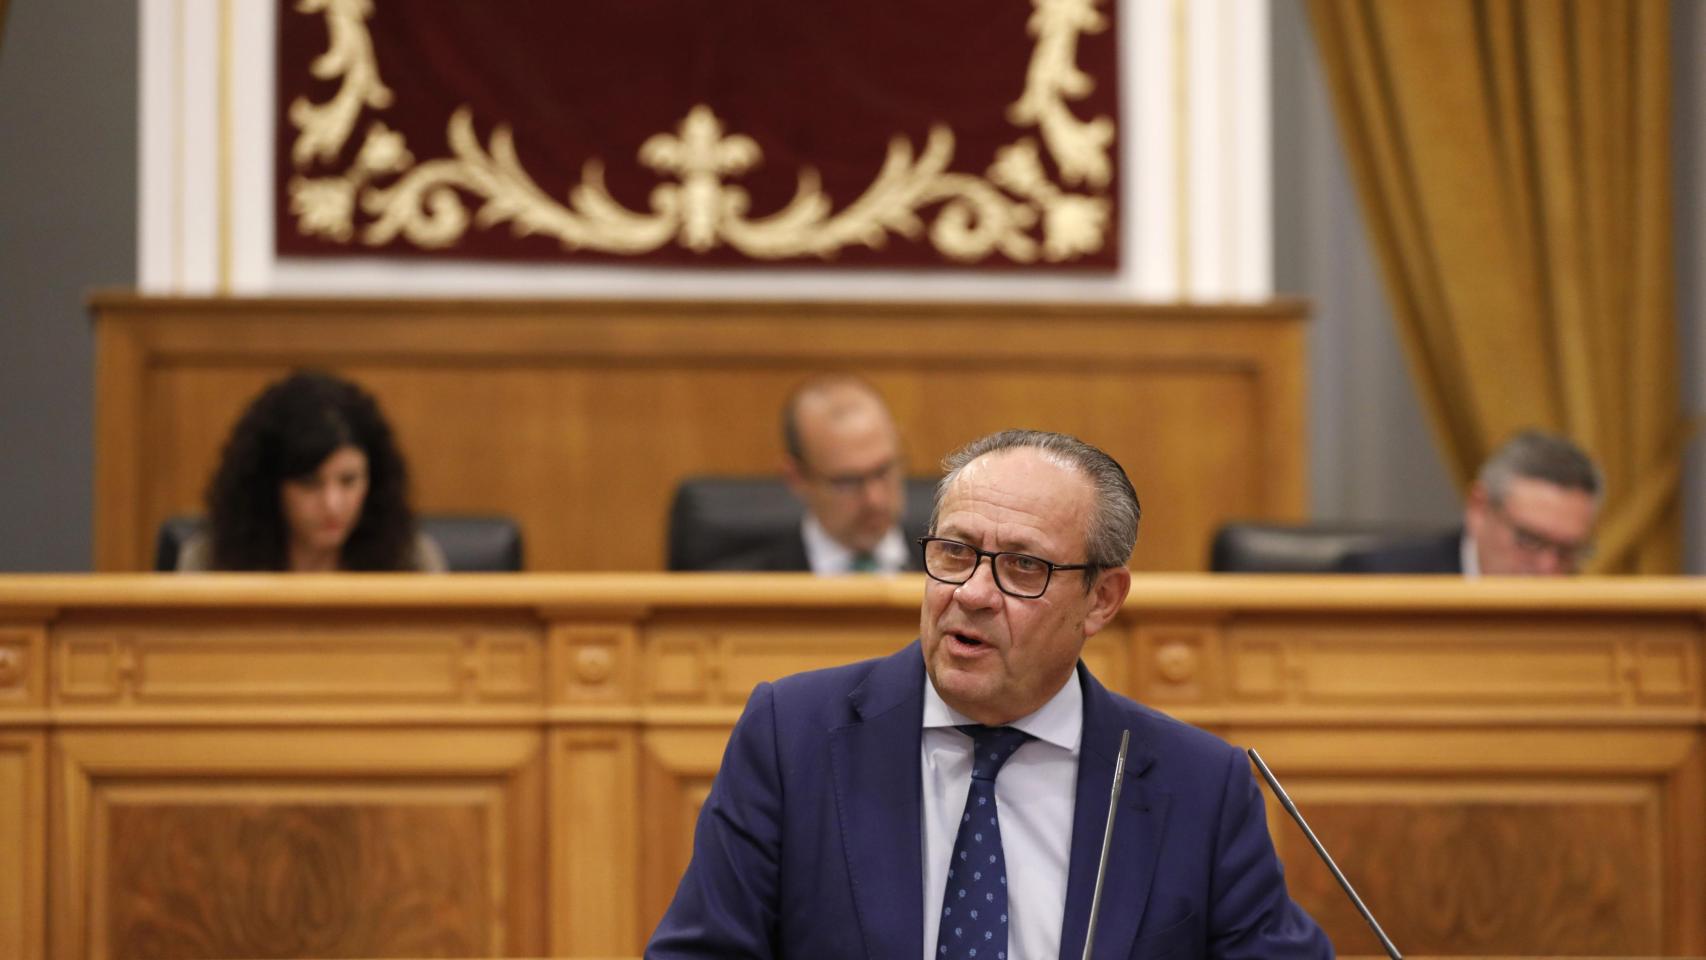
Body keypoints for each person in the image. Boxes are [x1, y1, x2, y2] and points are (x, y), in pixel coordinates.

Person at [647, 429, 1332, 959]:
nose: (971, 593)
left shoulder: (1200, 787)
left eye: (1022, 567)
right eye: (954, 552)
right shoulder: (792, 737)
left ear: (1101, 599)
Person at [177, 371, 446, 572]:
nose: (332, 504)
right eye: (309, 484)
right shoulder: (209, 562)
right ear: (271, 486)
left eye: (349, 481)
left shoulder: (412, 562)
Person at [713, 375, 920, 573]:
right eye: (847, 482)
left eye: (883, 471)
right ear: (796, 478)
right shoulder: (744, 593)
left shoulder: (948, 569)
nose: (874, 499)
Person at [1337, 428, 1601, 576]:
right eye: (1530, 540)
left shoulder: (1598, 618)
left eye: (1567, 551)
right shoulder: (1379, 581)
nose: (1547, 567)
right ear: (1479, 509)